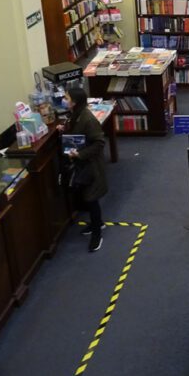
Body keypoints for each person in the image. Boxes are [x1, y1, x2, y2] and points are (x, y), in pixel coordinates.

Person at [62, 86, 108, 252]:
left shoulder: (88, 119)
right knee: (87, 197)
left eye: (66, 98)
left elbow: (99, 143)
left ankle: (97, 234)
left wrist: (79, 154)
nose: (64, 100)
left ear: (74, 102)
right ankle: (97, 223)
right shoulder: (76, 115)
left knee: (91, 198)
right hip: (84, 165)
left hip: (91, 166)